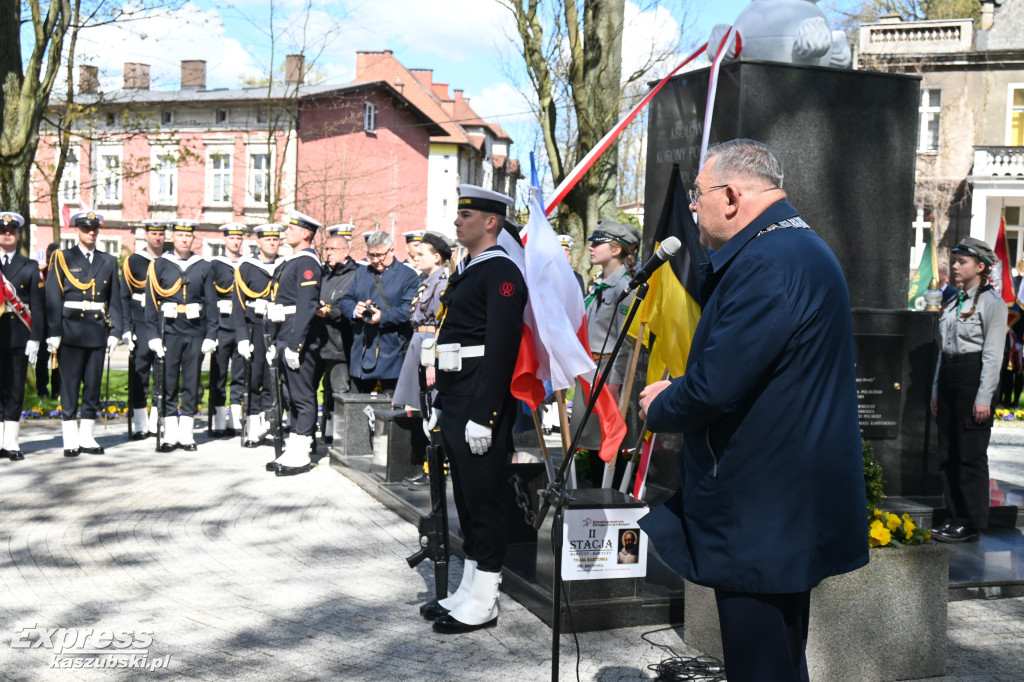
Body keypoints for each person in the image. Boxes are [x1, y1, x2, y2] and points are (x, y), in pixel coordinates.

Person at [637, 139, 868, 681]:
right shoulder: (795, 248)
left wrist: (662, 401)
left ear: (733, 195)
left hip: (760, 506)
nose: (692, 207)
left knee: (762, 665)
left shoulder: (766, 261)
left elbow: (716, 388)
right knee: (779, 659)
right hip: (779, 501)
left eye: (698, 195)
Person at [421, 184, 526, 635]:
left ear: (491, 223)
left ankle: (486, 601)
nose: (457, 221)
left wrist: (485, 415)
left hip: (480, 402)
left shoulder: (501, 271)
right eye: (458, 213)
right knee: (465, 495)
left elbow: (502, 349)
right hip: (459, 395)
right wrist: (442, 402)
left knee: (484, 499)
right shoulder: (472, 267)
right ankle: (469, 590)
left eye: (467, 215)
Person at [930, 237, 1007, 543]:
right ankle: (953, 516)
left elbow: (992, 354)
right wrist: (937, 388)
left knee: (970, 454)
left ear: (981, 266)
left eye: (962, 261)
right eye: (955, 260)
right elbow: (942, 350)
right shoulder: (953, 302)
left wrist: (984, 397)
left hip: (973, 378)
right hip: (951, 375)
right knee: (948, 453)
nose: (956, 266)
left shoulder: (991, 303)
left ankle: (971, 522)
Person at [45, 211, 123, 457]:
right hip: (70, 331)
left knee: (92, 385)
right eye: (86, 228)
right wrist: (54, 331)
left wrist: (115, 332)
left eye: (95, 228)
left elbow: (115, 301)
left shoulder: (108, 261)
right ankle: (70, 438)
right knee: (69, 386)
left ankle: (87, 436)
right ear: (76, 230)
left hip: (97, 330)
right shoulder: (63, 258)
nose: (91, 232)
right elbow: (53, 297)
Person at [145, 220, 219, 452]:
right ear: (173, 238)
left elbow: (211, 302)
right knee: (167, 381)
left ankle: (186, 434)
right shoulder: (159, 265)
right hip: (169, 330)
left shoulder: (203, 266)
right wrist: (153, 335)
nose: (185, 240)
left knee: (191, 381)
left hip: (195, 330)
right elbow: (151, 303)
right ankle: (170, 434)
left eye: (188, 236)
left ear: (193, 239)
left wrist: (211, 333)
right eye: (180, 236)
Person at [264, 211, 324, 476]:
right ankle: (294, 446)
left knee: (302, 394)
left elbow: (307, 305)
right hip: (285, 334)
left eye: (291, 229)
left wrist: (295, 345)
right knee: (290, 394)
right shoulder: (293, 262)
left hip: (297, 337)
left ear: (305, 234)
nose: (285, 233)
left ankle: (302, 452)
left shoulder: (307, 263)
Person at [391, 231, 452, 490]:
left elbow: (442, 325)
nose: (416, 256)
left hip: (430, 346)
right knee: (424, 408)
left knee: (433, 408)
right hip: (420, 343)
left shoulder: (442, 284)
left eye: (422, 253)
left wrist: (431, 361)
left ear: (437, 257)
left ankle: (438, 469)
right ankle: (431, 465)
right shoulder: (428, 281)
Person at [339, 231, 420, 394]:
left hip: (391, 351)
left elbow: (408, 310)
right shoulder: (362, 272)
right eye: (371, 255)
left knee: (391, 411)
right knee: (357, 409)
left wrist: (382, 316)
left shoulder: (408, 275)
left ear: (391, 250)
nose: (375, 260)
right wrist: (356, 310)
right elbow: (346, 299)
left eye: (379, 255)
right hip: (362, 349)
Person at [233, 224, 283, 448]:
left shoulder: (285, 266)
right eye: (267, 240)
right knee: (253, 379)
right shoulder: (246, 267)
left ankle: (269, 426)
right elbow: (238, 305)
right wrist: (242, 338)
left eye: (275, 239)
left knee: (272, 380)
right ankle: (253, 428)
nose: (272, 243)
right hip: (254, 327)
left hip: (278, 328)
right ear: (259, 242)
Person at [0, 212, 44, 460]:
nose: (7, 234)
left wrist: (36, 338)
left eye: (11, 231)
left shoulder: (29, 266)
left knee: (15, 389)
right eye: (3, 231)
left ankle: (12, 443)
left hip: (19, 336)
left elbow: (37, 306)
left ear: (18, 235)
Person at [120, 220, 167, 439]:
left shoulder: (169, 260)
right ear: (146, 235)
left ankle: (157, 421)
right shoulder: (134, 261)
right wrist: (126, 328)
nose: (158, 237)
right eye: (154, 233)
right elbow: (125, 296)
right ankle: (140, 424)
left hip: (163, 320)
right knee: (139, 372)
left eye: (161, 234)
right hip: (140, 320)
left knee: (162, 372)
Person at [317, 224, 359, 443]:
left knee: (340, 390)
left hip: (340, 344)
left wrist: (330, 311)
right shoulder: (323, 273)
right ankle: (327, 431)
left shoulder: (355, 275)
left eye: (333, 249)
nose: (329, 253)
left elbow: (349, 307)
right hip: (318, 342)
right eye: (326, 249)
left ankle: (342, 436)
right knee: (324, 391)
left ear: (346, 252)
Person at [208, 223, 248, 438]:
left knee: (240, 375)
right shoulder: (215, 265)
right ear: (225, 239)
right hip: (222, 326)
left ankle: (235, 419)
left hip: (240, 326)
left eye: (239, 238)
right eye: (232, 238)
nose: (235, 242)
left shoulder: (247, 265)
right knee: (219, 375)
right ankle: (218, 420)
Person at [34, 242, 60, 399]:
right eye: (49, 257)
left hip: (59, 323)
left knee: (58, 360)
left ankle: (57, 390)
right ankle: (42, 390)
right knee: (42, 359)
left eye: (54, 257)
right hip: (43, 323)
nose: (51, 260)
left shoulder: (64, 276)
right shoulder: (40, 275)